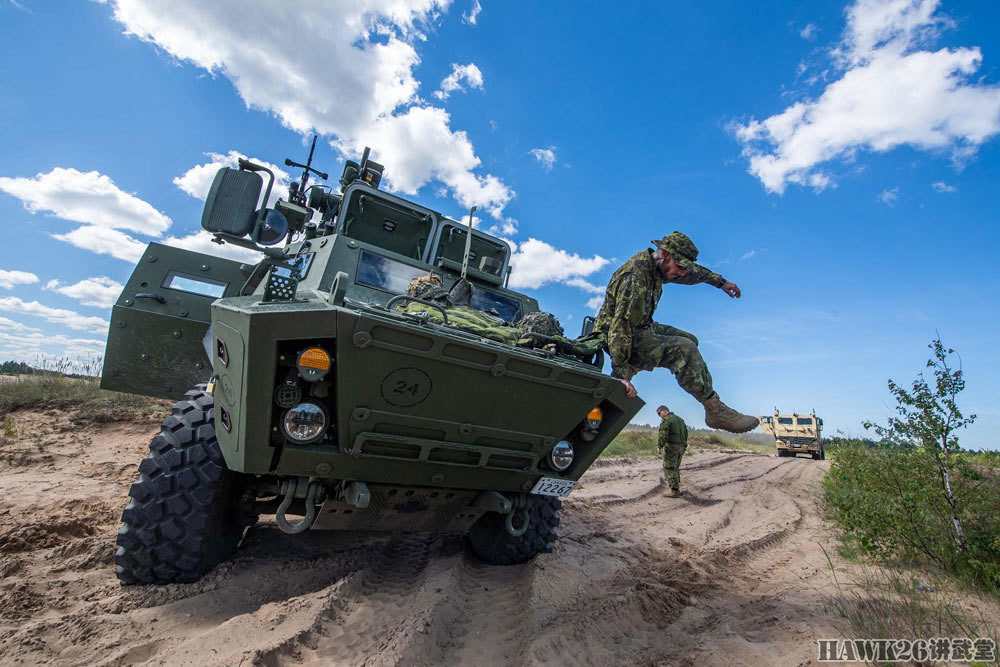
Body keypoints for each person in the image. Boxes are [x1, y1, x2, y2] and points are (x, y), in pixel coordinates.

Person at [593, 231, 758, 433]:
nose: (680, 273)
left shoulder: (658, 267)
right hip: (617, 336)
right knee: (685, 349)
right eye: (679, 267)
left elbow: (692, 273)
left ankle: (632, 366)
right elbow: (621, 326)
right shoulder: (635, 279)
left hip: (640, 327)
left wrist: (721, 282)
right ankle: (715, 410)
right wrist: (620, 375)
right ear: (665, 255)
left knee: (690, 339)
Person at [656, 405, 688, 498]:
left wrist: (659, 445)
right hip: (681, 447)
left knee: (669, 467)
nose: (659, 416)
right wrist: (684, 445)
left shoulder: (667, 419)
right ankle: (677, 489)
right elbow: (686, 434)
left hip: (672, 446)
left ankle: (674, 491)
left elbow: (663, 433)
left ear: (664, 411)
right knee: (676, 467)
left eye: (659, 413)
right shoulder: (681, 420)